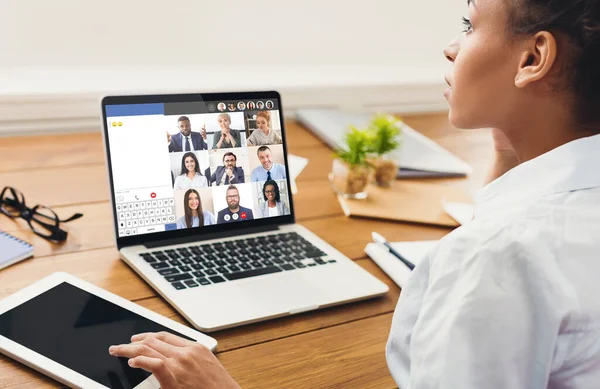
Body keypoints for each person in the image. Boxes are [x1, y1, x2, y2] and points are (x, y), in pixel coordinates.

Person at [110, 0, 600, 387]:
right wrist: (509, 150)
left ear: (533, 58)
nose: (452, 47)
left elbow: (501, 266)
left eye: (469, 24)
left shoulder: (494, 258)